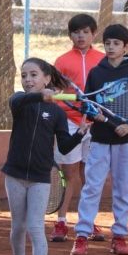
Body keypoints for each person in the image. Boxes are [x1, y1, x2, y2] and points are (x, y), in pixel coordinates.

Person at [3, 58, 89, 255]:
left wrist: (80, 134)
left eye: (34, 75)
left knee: (35, 227)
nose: (28, 80)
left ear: (47, 78)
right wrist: (42, 96)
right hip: (15, 174)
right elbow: (22, 99)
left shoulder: (57, 113)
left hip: (41, 177)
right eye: (24, 75)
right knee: (17, 227)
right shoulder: (19, 101)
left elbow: (63, 145)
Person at [69, 24, 128, 255]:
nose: (111, 48)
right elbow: (88, 104)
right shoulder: (97, 73)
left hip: (127, 142)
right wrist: (96, 116)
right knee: (92, 187)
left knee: (124, 189)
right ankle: (82, 236)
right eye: (108, 43)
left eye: (116, 44)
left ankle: (119, 236)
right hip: (100, 140)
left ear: (126, 47)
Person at [50, 14, 106, 243]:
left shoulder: (102, 60)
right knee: (69, 173)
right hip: (70, 124)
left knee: (89, 175)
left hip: (95, 124)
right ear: (70, 35)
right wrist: (68, 109)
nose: (80, 36)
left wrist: (97, 114)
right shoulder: (62, 61)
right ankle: (61, 222)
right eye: (76, 32)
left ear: (94, 34)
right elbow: (54, 92)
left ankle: (87, 222)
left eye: (85, 32)